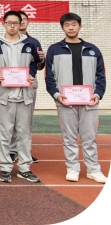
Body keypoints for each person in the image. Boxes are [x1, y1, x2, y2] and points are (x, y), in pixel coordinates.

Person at [45, 12, 107, 184]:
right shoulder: (54, 49)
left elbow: (101, 75)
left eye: (74, 24)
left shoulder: (93, 50)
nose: (70, 28)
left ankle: (93, 170)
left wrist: (98, 94)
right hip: (65, 101)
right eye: (67, 25)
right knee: (69, 137)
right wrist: (57, 95)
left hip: (89, 101)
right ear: (62, 28)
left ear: (80, 26)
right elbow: (49, 76)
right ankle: (72, 168)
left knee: (90, 137)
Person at [0, 10, 41, 183]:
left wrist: (31, 74)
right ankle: (5, 168)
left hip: (24, 95)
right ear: (3, 24)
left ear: (20, 24)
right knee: (4, 133)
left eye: (15, 23)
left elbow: (34, 63)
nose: (12, 26)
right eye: (9, 23)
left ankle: (24, 168)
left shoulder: (29, 43)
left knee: (25, 133)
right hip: (4, 96)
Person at [9, 10, 45, 164]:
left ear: (28, 22)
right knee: (11, 120)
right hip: (10, 85)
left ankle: (25, 152)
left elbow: (39, 66)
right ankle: (12, 151)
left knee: (27, 120)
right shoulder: (6, 41)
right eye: (19, 20)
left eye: (24, 19)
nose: (22, 22)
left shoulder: (34, 42)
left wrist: (41, 59)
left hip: (28, 85)